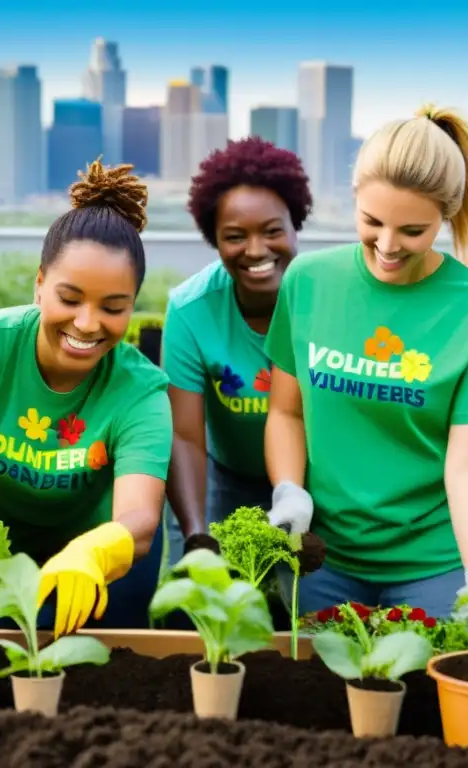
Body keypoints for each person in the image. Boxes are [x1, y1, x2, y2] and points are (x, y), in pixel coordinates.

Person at [263, 105, 468, 619]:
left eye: (412, 230)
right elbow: (286, 412)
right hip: (324, 560)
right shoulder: (308, 282)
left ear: (445, 215)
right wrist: (289, 490)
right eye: (371, 222)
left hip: (432, 564)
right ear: (354, 200)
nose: (387, 246)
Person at [0, 159, 173, 636]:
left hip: (95, 556)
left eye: (113, 308)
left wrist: (98, 550)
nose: (87, 323)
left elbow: (139, 517)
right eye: (70, 298)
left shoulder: (141, 391)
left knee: (107, 682)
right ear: (39, 286)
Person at [162, 137, 314, 558]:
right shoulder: (191, 309)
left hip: (313, 481)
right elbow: (185, 436)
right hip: (223, 479)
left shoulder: (324, 300)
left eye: (272, 231)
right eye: (234, 236)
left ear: (295, 225)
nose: (256, 250)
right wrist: (196, 536)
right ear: (214, 239)